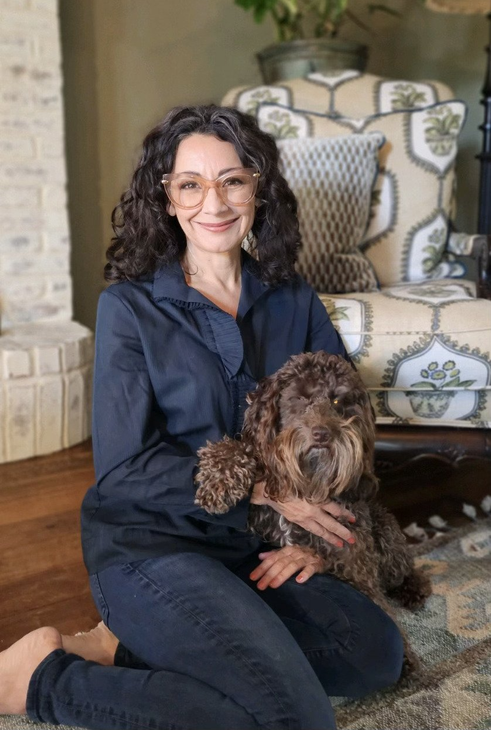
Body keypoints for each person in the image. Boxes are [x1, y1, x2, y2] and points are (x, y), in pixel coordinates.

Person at [0, 104, 403, 730]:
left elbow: (344, 418)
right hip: (151, 544)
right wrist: (267, 491)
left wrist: (319, 541)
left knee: (376, 653)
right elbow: (124, 471)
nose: (212, 202)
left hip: (255, 545)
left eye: (232, 180)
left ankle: (125, 651)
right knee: (288, 716)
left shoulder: (292, 297)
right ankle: (44, 682)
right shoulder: (128, 309)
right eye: (190, 184)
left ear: (257, 189)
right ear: (165, 199)